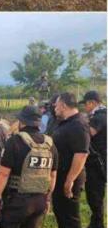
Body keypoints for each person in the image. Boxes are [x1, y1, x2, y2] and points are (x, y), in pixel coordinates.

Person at [0, 105, 58, 228]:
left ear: (21, 122)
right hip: (40, 201)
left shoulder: (14, 141)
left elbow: (3, 174)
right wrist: (47, 199)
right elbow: (52, 175)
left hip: (17, 202)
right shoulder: (50, 144)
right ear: (38, 123)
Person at [51, 92, 90, 227]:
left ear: (63, 105)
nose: (54, 108)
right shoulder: (66, 123)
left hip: (69, 176)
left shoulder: (78, 124)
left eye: (56, 106)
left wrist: (69, 180)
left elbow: (81, 154)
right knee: (60, 212)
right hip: (61, 175)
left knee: (70, 217)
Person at [79, 91, 106, 228]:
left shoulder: (100, 116)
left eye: (86, 104)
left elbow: (89, 134)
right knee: (94, 196)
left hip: (97, 164)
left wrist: (79, 124)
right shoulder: (100, 115)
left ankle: (98, 225)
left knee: (95, 197)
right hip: (98, 162)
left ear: (93, 103)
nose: (85, 107)